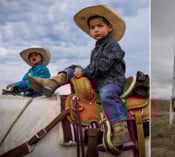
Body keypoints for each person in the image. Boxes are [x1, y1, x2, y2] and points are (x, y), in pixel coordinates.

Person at [28, 5, 132, 148]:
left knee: (108, 95)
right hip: (98, 79)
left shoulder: (113, 46)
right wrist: (81, 71)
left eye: (99, 26)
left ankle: (121, 132)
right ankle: (51, 83)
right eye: (92, 27)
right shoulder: (96, 49)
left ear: (109, 28)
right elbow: (94, 68)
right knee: (73, 68)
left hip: (111, 80)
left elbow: (103, 65)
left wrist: (85, 72)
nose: (95, 30)